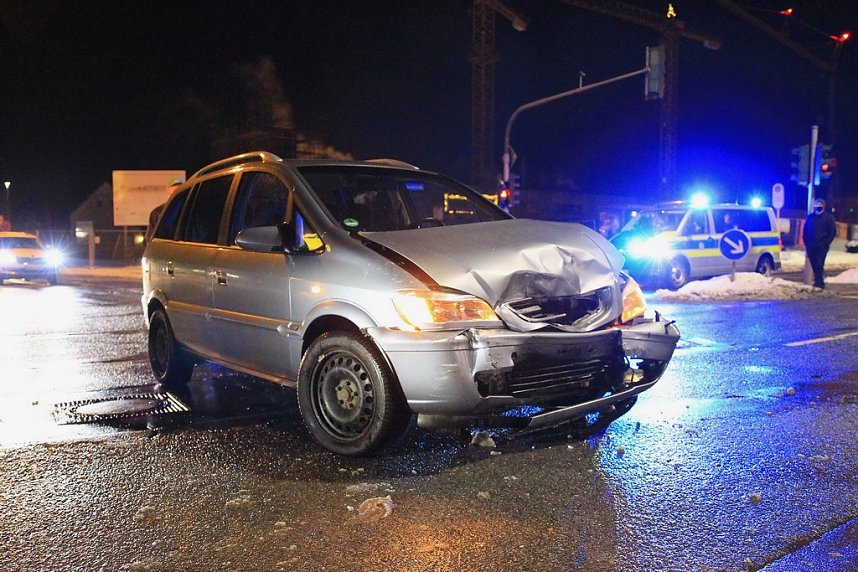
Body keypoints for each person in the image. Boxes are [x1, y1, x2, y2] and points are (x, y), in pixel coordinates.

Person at [802, 198, 837, 289]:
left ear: (823, 206)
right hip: (811, 246)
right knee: (814, 263)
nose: (818, 207)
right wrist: (806, 243)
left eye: (820, 205)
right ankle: (818, 280)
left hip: (822, 246)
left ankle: (819, 283)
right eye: (817, 205)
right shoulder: (810, 217)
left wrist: (826, 243)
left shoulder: (828, 218)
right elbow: (805, 231)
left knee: (819, 263)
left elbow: (832, 232)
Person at [145, 177, 184, 243]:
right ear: (167, 191)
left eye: (180, 190)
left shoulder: (191, 211)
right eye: (174, 191)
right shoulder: (157, 212)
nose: (177, 193)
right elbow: (151, 239)